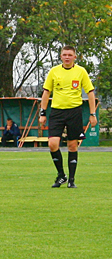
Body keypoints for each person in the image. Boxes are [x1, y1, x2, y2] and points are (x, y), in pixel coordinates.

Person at [39, 45, 97, 188]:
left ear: (74, 57)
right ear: (60, 56)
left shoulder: (81, 71)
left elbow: (90, 93)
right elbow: (46, 92)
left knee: (72, 145)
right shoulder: (54, 71)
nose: (67, 57)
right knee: (52, 144)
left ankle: (71, 179)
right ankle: (61, 175)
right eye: (64, 54)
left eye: (70, 55)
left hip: (74, 112)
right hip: (57, 112)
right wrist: (42, 112)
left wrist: (92, 114)